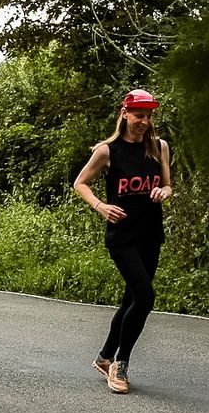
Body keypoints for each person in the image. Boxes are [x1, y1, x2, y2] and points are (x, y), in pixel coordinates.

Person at [73, 89, 172, 394]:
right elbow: (80, 183)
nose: (144, 121)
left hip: (150, 233)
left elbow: (167, 185)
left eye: (148, 116)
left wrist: (164, 192)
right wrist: (101, 206)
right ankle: (120, 363)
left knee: (132, 300)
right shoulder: (108, 151)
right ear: (125, 114)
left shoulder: (159, 147)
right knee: (145, 298)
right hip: (122, 236)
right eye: (139, 115)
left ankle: (104, 357)